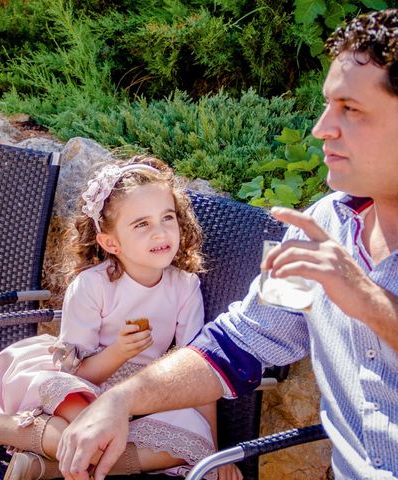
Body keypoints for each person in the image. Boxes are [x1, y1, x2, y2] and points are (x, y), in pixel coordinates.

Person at [55, 8, 398, 480]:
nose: (322, 128)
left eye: (351, 109)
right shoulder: (323, 225)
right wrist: (122, 398)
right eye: (327, 104)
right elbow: (238, 344)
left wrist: (369, 303)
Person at [0, 158, 242, 480]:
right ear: (111, 242)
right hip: (81, 383)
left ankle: (45, 465)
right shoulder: (93, 286)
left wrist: (214, 453)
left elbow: (199, 369)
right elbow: (77, 371)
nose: (160, 232)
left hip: (142, 393)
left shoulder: (184, 286)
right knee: (90, 433)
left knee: (192, 442)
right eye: (142, 224)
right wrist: (119, 353)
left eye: (168, 218)